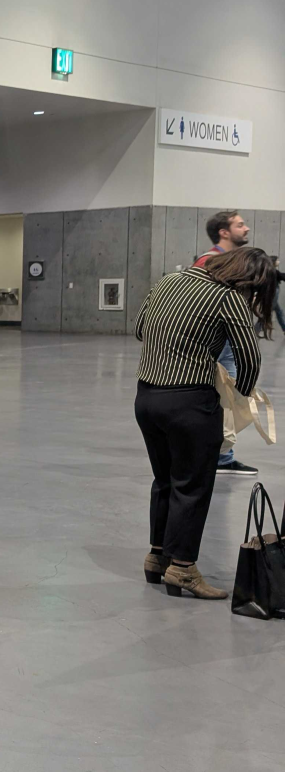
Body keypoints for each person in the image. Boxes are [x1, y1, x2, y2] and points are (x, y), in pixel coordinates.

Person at [133, 246, 276, 598]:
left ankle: (157, 557)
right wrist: (238, 396)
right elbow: (250, 358)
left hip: (146, 398)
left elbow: (139, 329)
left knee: (164, 480)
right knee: (192, 486)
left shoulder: (169, 279)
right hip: (190, 404)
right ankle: (182, 569)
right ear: (249, 280)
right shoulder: (228, 298)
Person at [195, 210, 257, 475]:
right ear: (224, 231)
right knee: (213, 398)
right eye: (240, 225)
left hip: (231, 342)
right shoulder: (209, 262)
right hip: (215, 341)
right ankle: (213, 457)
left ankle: (222, 457)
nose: (247, 229)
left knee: (229, 400)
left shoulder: (235, 261)